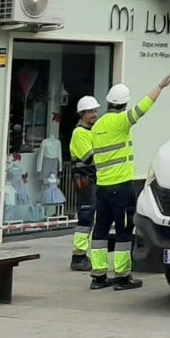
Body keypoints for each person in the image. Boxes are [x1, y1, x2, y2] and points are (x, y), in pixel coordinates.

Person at [88, 73, 170, 291]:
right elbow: (143, 108)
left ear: (108, 101)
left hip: (102, 186)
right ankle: (122, 276)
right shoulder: (120, 122)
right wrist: (160, 87)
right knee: (124, 232)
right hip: (122, 186)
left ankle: (98, 276)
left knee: (100, 230)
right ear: (124, 103)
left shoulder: (97, 125)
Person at [68, 95, 100, 272]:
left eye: (95, 111)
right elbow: (89, 157)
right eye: (90, 111)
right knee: (86, 216)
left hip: (92, 179)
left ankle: (83, 253)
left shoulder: (90, 131)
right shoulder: (80, 133)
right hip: (85, 180)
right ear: (82, 114)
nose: (94, 114)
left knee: (90, 216)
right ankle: (78, 256)